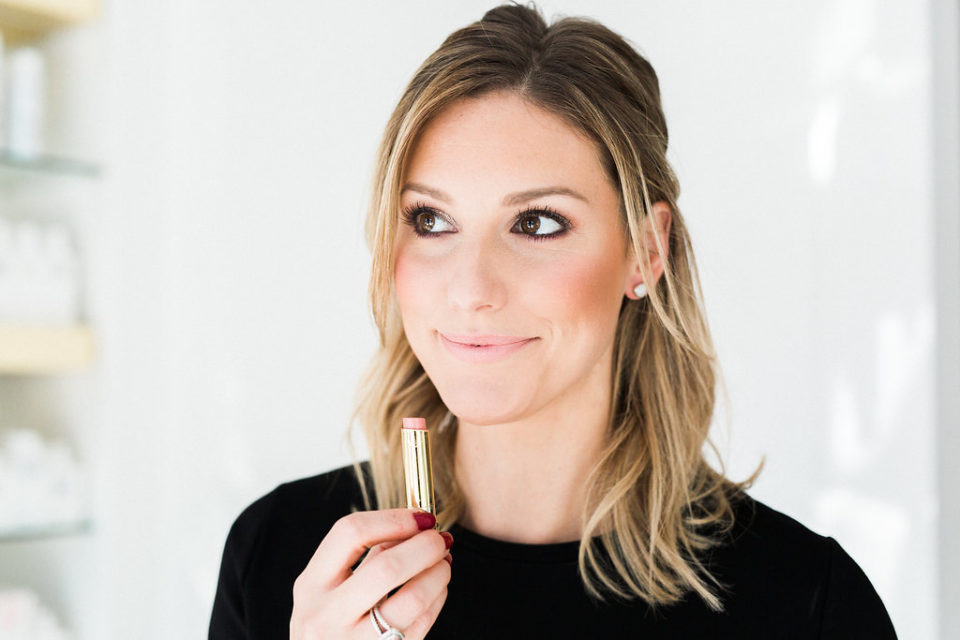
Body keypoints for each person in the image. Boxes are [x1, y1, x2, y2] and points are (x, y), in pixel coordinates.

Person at [208, 2, 899, 638]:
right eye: (431, 220)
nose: (471, 289)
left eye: (536, 223)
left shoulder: (808, 603)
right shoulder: (282, 558)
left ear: (646, 251)